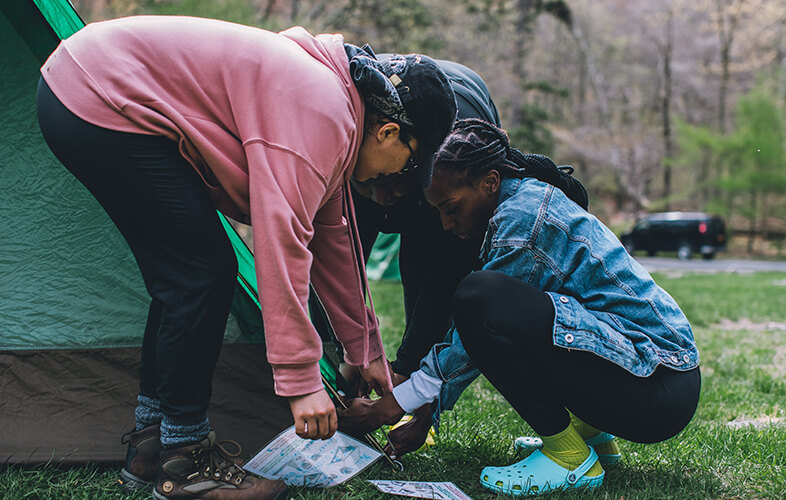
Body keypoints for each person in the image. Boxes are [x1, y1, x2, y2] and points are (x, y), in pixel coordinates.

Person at [36, 15, 456, 499]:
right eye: (410, 160)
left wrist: (367, 352)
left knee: (185, 278)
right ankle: (185, 462)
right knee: (202, 274)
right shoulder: (323, 112)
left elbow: (332, 237)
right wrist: (301, 382)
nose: (399, 176)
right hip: (102, 95)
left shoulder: (337, 104)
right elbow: (282, 242)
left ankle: (154, 444)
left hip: (84, 83)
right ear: (387, 132)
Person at [338, 119, 701, 496]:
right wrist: (428, 405)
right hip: (657, 381)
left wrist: (391, 407)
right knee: (491, 305)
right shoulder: (517, 202)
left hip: (657, 386)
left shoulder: (522, 221)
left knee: (478, 296)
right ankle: (592, 438)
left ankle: (568, 457)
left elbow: (474, 327)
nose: (446, 224)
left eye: (450, 207)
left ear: (490, 182)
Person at [311, 57, 501, 389]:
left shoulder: (444, 169)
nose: (384, 198)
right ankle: (330, 373)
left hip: (446, 132)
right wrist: (349, 354)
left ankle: (412, 380)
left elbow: (445, 276)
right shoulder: (347, 143)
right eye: (376, 185)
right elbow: (329, 268)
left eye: (393, 183)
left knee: (425, 262)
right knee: (336, 256)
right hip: (381, 137)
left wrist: (406, 373)